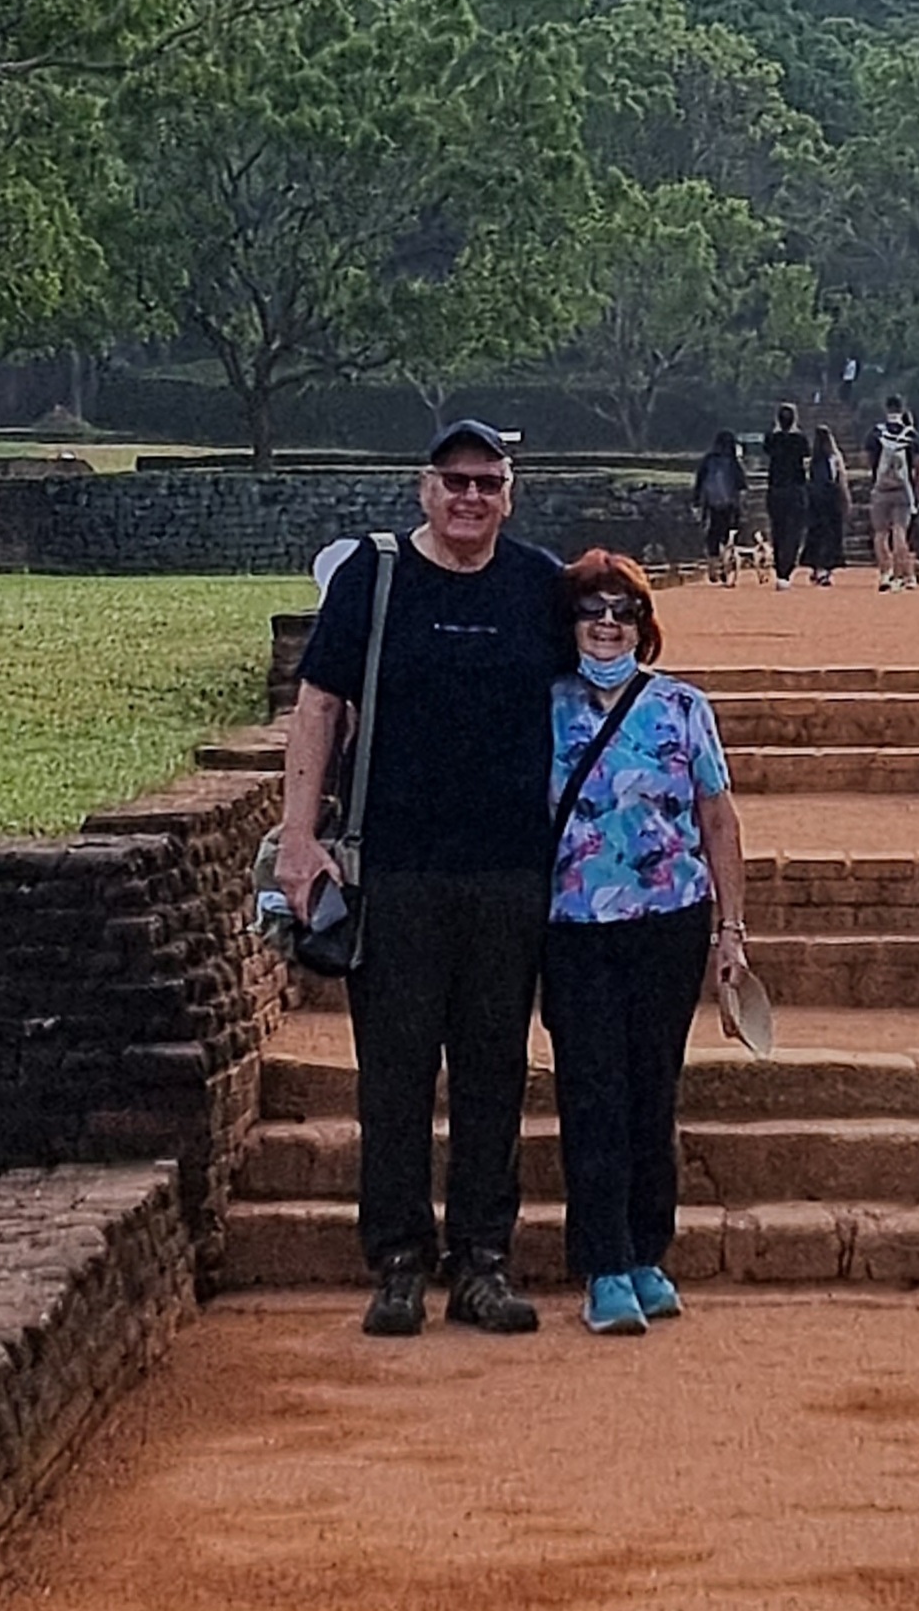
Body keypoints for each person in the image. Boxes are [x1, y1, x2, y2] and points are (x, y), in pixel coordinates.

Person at [276, 419, 567, 1340]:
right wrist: (296, 838)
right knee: (393, 1073)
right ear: (424, 489)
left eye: (487, 482)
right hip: (394, 865)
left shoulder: (538, 586)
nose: (470, 497)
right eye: (455, 482)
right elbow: (320, 705)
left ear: (509, 493)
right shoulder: (377, 577)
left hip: (508, 867)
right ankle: (398, 1259)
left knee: (491, 1068)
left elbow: (587, 700)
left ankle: (482, 1259)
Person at [541, 551, 749, 1334]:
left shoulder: (681, 708)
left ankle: (646, 1251)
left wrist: (731, 930)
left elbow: (718, 818)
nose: (605, 624)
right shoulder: (545, 706)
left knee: (652, 1086)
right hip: (574, 925)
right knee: (593, 1088)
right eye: (591, 610)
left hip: (668, 919)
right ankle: (602, 1259)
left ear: (642, 625)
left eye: (621, 611)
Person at [865, 397, 919, 591]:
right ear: (902, 409)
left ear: (886, 409)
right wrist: (918, 492)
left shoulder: (875, 434)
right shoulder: (911, 435)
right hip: (903, 489)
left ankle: (885, 573)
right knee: (900, 531)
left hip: (881, 489)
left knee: (880, 533)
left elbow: (869, 461)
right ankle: (904, 574)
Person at [761, 401, 812, 589]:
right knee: (794, 532)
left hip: (776, 489)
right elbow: (806, 457)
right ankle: (787, 569)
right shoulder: (800, 440)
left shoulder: (772, 439)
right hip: (796, 490)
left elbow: (767, 449)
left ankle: (779, 569)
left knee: (778, 530)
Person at [694, 428, 748, 583]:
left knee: (712, 534)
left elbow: (700, 481)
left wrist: (696, 501)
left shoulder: (708, 459)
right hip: (730, 503)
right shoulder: (733, 461)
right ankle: (726, 565)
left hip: (711, 502)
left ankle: (712, 565)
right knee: (728, 535)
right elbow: (741, 484)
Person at [803, 421, 849, 587]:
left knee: (816, 533)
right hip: (831, 500)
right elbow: (841, 479)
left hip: (815, 500)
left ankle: (817, 568)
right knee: (831, 534)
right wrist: (845, 498)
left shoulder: (810, 461)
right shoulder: (835, 458)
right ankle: (826, 569)